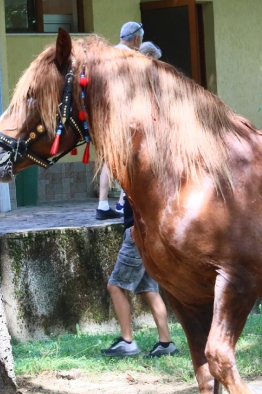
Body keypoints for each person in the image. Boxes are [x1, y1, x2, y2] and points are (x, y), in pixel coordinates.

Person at [101, 196, 178, 357]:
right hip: (144, 233)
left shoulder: (137, 172)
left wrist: (137, 226)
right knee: (148, 290)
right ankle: (166, 343)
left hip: (137, 234)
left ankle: (126, 341)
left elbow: (147, 198)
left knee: (114, 286)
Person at [95, 22, 144, 220]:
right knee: (131, 158)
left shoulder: (107, 55)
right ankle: (126, 203)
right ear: (137, 39)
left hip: (105, 115)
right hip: (126, 115)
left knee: (109, 160)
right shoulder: (133, 58)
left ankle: (102, 204)